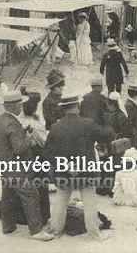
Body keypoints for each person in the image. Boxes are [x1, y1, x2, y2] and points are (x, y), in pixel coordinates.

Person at [45, 94, 115, 241]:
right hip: (86, 170)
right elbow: (108, 135)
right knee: (90, 202)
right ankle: (95, 235)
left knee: (60, 202)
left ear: (63, 109)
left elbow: (48, 153)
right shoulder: (88, 124)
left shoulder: (55, 127)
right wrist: (108, 119)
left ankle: (55, 232)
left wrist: (64, 165)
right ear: (77, 106)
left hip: (64, 171)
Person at [0, 90, 54, 241]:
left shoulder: (2, 119)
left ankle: (7, 226)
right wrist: (28, 137)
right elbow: (19, 148)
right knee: (31, 194)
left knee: (7, 196)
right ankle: (36, 231)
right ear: (16, 105)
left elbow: (8, 141)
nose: (22, 106)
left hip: (4, 166)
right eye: (20, 103)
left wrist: (22, 132)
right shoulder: (12, 123)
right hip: (16, 168)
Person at [125, 85, 137, 149]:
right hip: (132, 135)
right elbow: (129, 122)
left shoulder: (129, 104)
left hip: (132, 134)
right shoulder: (131, 106)